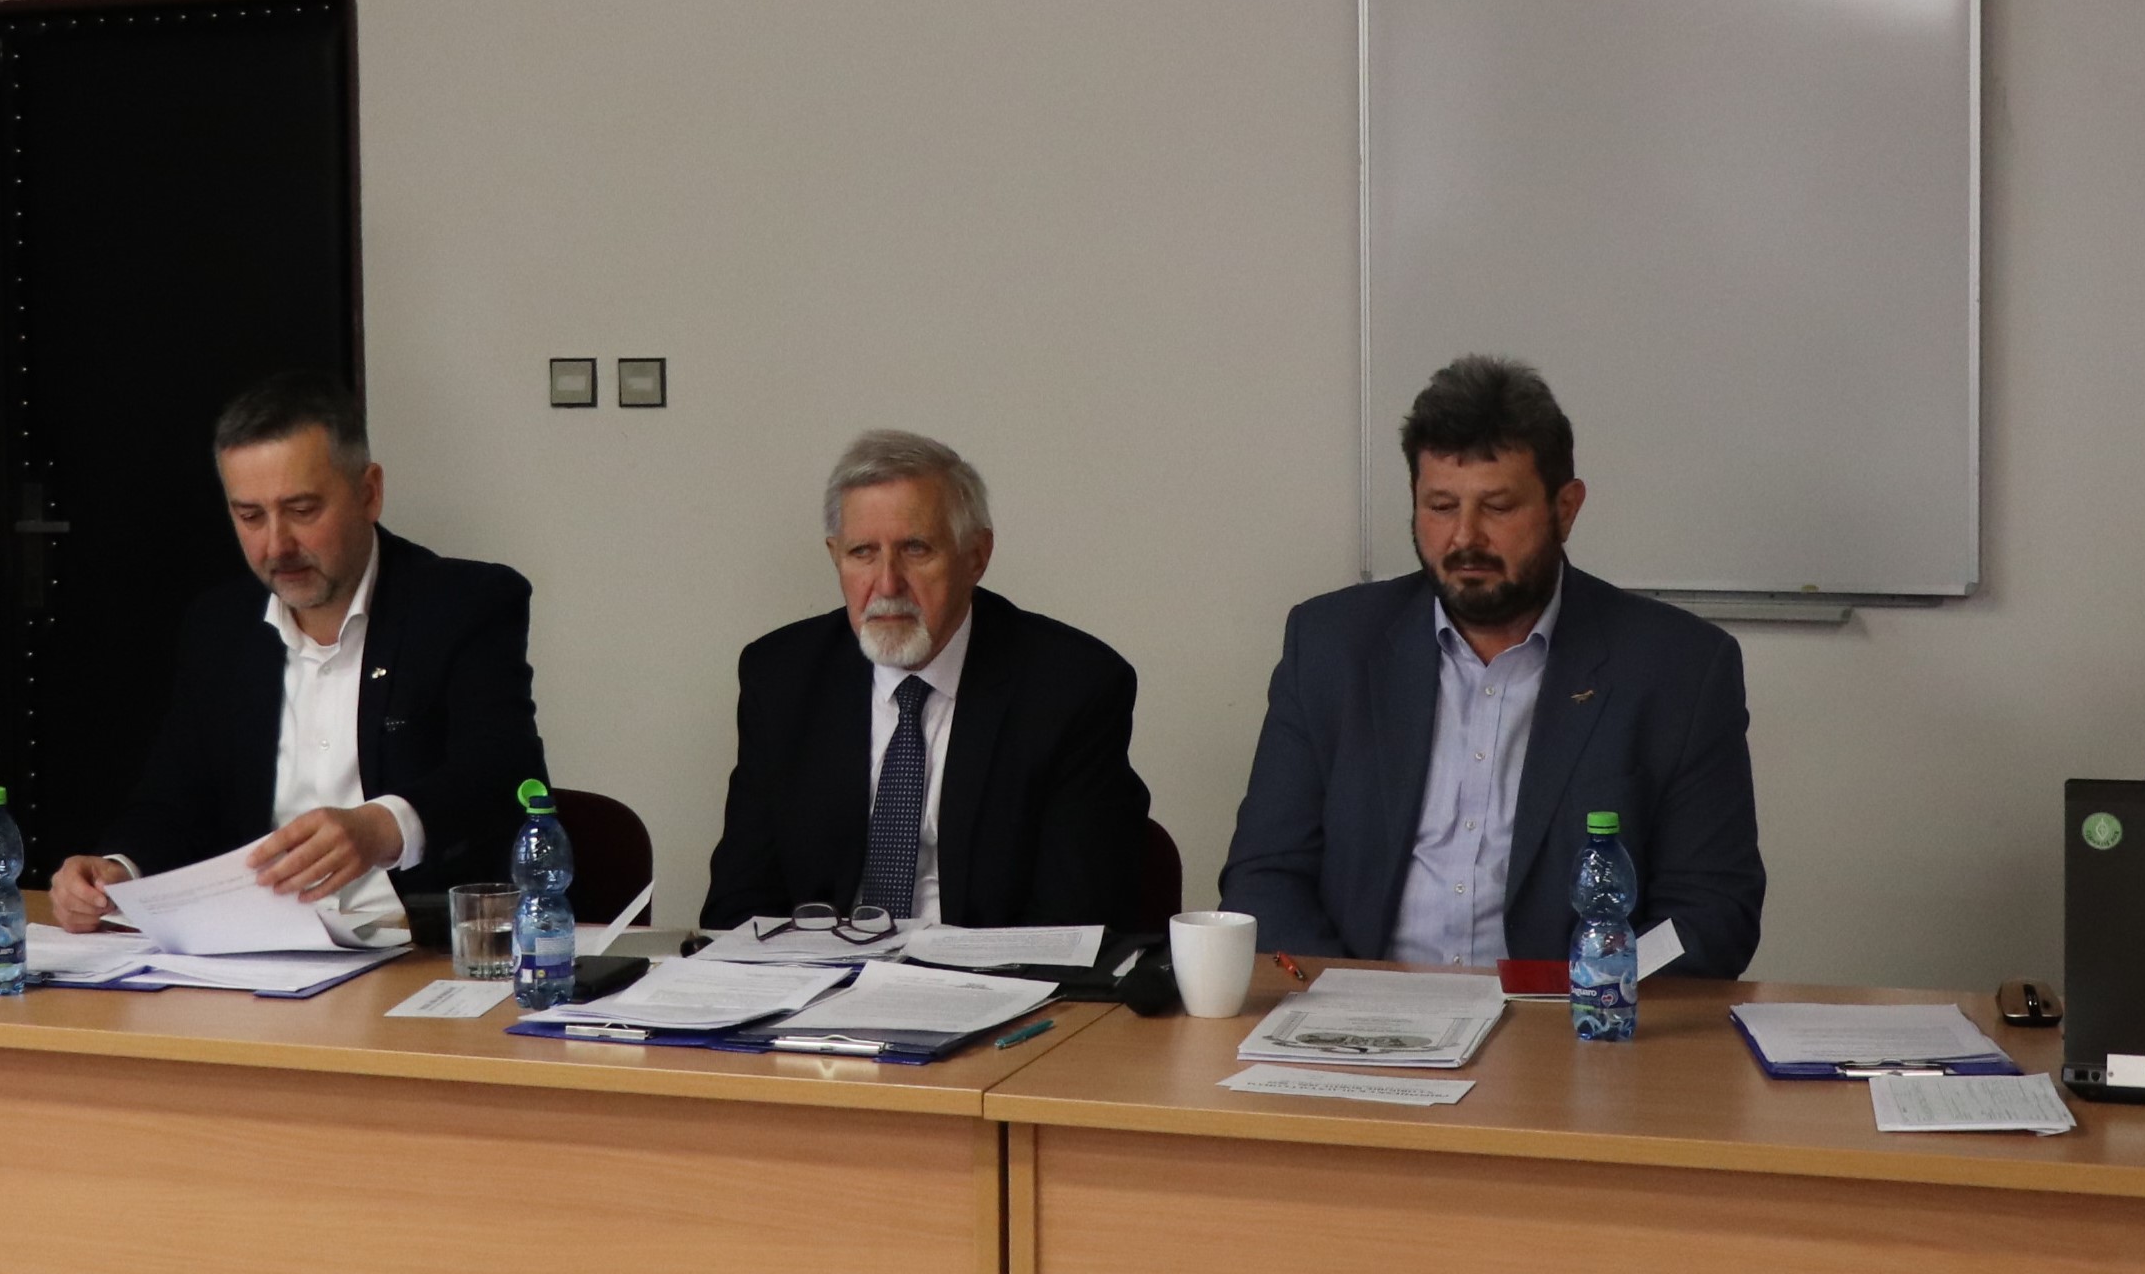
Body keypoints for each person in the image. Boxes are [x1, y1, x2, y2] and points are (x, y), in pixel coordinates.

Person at [1221, 354, 1764, 972]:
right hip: (1361, 1012)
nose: (1464, 538)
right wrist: (1349, 1001)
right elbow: (1265, 875)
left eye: (1498, 507)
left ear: (1566, 508)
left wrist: (1593, 986)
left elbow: (1711, 913)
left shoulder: (1679, 669)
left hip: (1573, 1015)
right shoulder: (1331, 646)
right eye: (1440, 506)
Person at [48, 374, 546, 937]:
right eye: (250, 516)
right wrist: (117, 870)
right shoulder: (221, 626)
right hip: (261, 952)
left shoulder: (463, 605)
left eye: (303, 510)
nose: (276, 546)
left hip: (425, 947)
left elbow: (502, 773)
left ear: (369, 493)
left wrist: (382, 828)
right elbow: (175, 799)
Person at [701, 431, 1151, 931]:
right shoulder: (781, 677)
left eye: (915, 549)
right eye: (862, 552)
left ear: (976, 556)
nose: (887, 583)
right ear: (835, 556)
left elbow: (1074, 923)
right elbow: (740, 907)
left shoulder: (1072, 688)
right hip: (819, 973)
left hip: (988, 973)